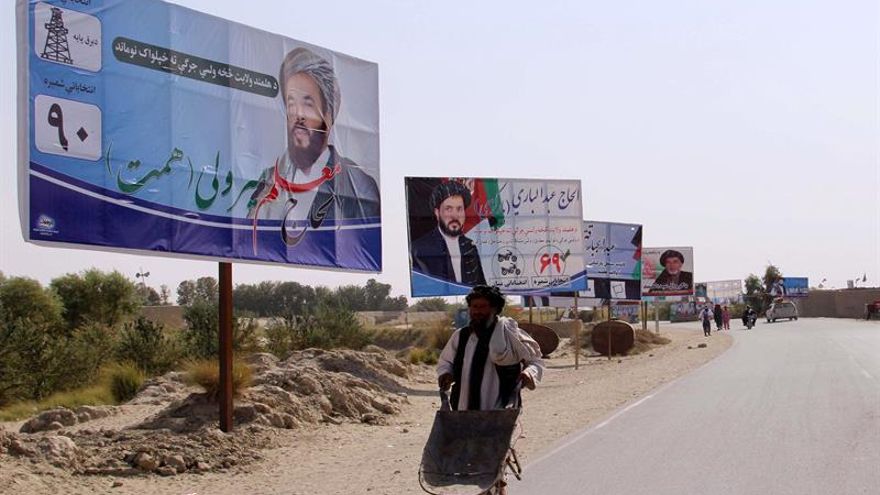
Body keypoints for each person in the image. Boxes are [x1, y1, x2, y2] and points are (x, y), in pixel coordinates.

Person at [248, 47, 380, 244]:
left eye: (308, 104)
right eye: (291, 103)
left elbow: (364, 245)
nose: (298, 114)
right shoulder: (268, 181)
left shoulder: (359, 186)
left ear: (328, 114)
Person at [437, 285, 544, 411]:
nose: (477, 312)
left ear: (495, 309)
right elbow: (446, 362)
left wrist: (528, 373)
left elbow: (535, 362)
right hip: (462, 411)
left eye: (483, 307)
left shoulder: (511, 335)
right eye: (474, 307)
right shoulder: (461, 336)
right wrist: (446, 373)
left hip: (501, 411)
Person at [411, 182, 487, 286]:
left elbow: (481, 288)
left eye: (459, 209)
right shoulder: (419, 250)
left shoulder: (470, 247)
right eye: (448, 209)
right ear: (437, 213)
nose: (455, 216)